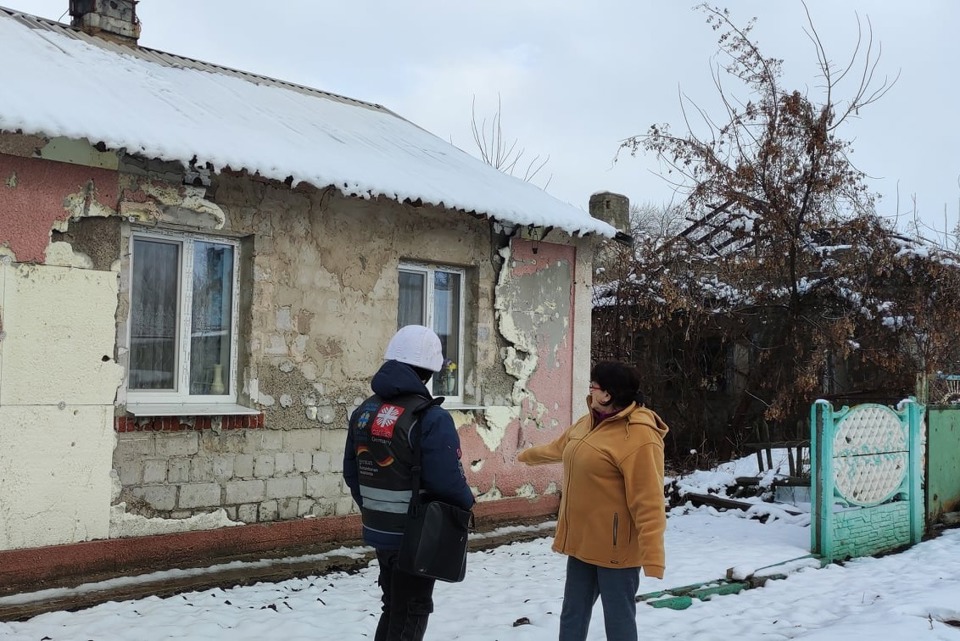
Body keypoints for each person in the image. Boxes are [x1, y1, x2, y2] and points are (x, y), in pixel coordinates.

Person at [517, 361, 669, 641]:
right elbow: (560, 448)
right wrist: (528, 456)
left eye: (593, 385)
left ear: (608, 394)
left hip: (616, 551)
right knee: (572, 614)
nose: (590, 389)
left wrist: (653, 556)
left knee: (618, 621)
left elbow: (648, 500)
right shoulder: (589, 422)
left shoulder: (639, 436)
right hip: (582, 542)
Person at [343, 324, 475, 641]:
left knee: (393, 607)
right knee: (412, 610)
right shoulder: (429, 416)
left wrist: (376, 508)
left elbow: (352, 472)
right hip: (416, 536)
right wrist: (468, 504)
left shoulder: (365, 411)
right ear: (428, 372)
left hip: (378, 529)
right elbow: (446, 480)